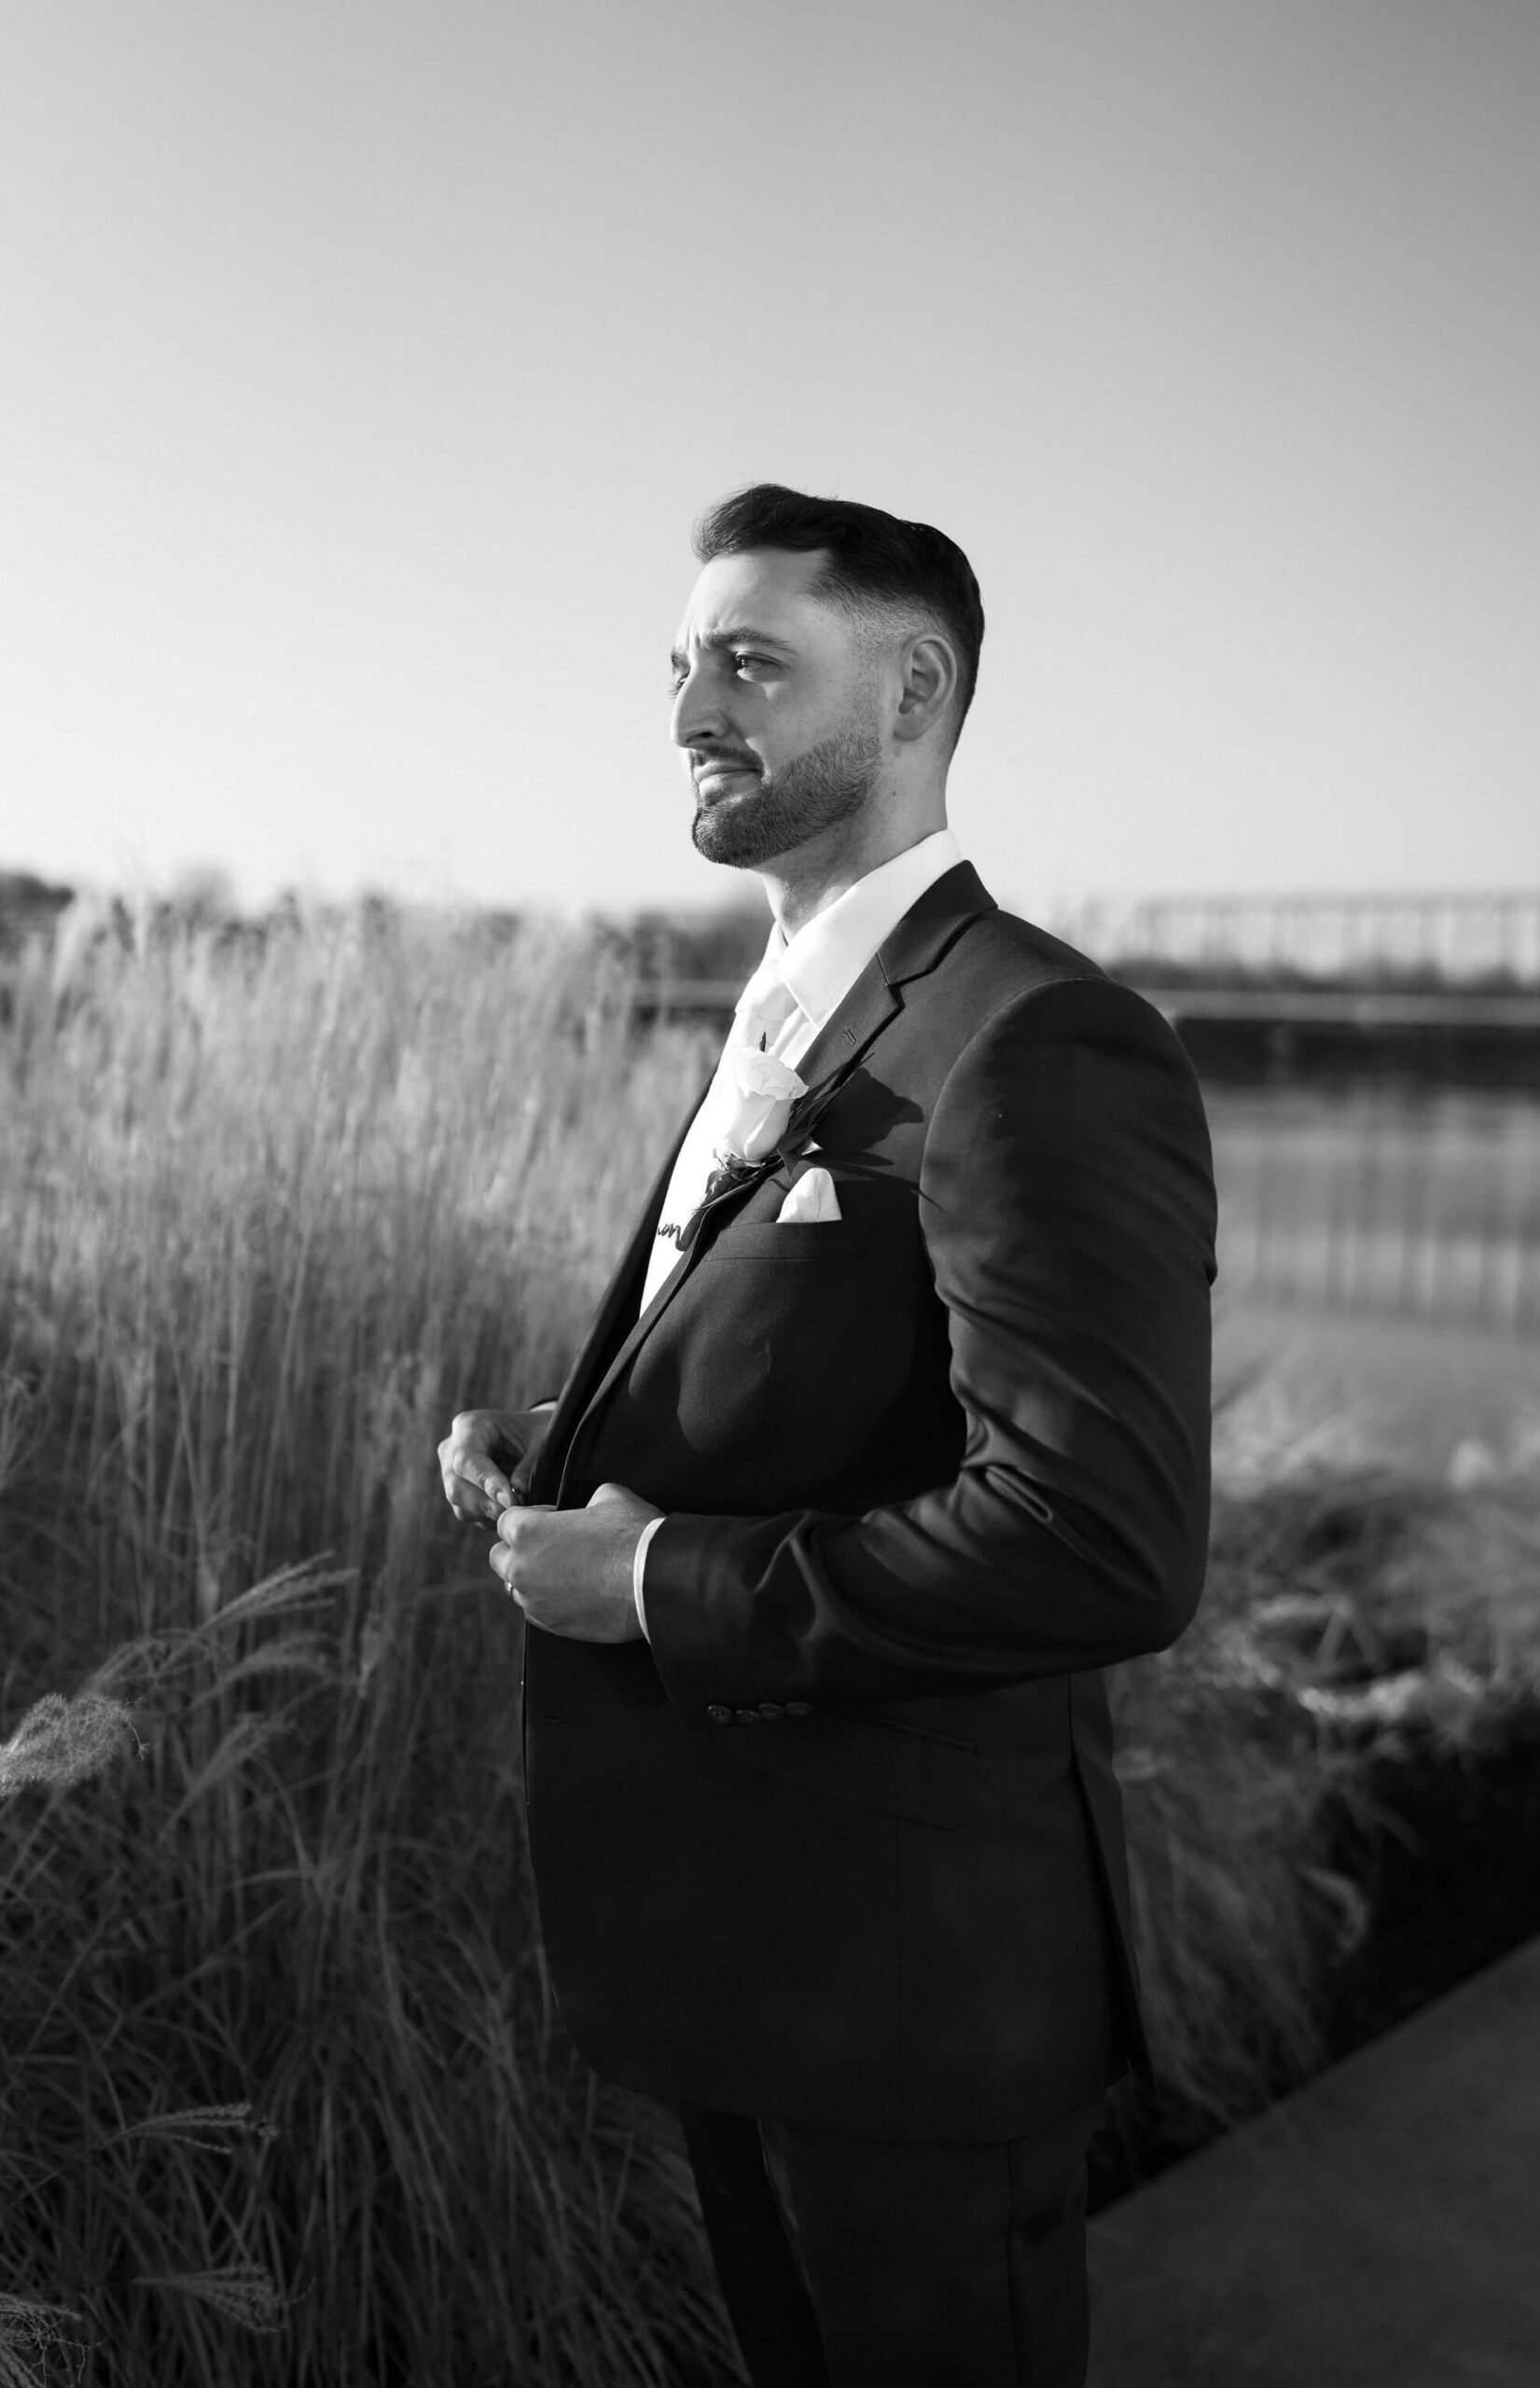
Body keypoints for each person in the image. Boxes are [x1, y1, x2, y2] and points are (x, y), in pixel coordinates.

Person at [437, 484, 1216, 2386]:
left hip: (911, 1990)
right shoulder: (793, 1000)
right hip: (746, 1944)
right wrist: (579, 1442)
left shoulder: (1030, 1036)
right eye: (682, 663)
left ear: (912, 690)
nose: (692, 705)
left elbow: (1093, 1536)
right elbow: (865, 1385)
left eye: (752, 661)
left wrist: (644, 1575)